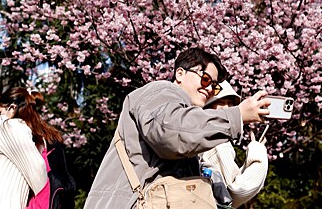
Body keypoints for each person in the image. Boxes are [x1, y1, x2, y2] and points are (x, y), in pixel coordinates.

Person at [84, 47, 270, 209]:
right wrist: (237, 116)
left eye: (214, 87)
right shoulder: (161, 91)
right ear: (179, 74)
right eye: (205, 79)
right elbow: (171, 134)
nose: (209, 89)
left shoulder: (181, 111)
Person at [0, 87, 63, 209]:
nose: (0, 117)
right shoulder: (28, 133)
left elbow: (37, 169)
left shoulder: (13, 127)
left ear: (12, 108)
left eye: (1, 111)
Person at [201, 81, 269, 208]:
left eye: (231, 103)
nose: (226, 108)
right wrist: (258, 153)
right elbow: (236, 192)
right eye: (220, 103)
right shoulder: (218, 143)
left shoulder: (194, 136)